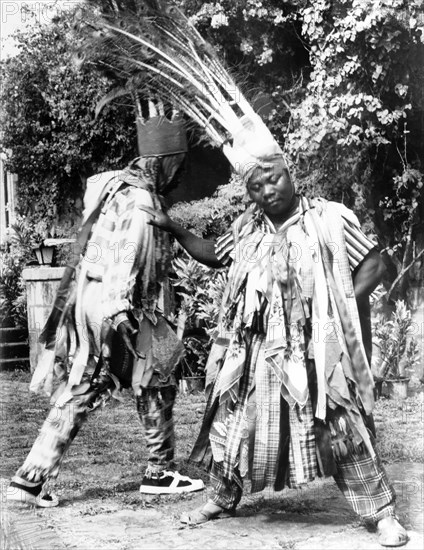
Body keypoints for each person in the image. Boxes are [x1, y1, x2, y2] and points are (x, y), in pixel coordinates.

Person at [140, 126, 408, 547]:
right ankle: (221, 497)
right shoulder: (248, 229)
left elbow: (373, 264)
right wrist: (173, 227)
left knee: (339, 425)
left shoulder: (328, 219)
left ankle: (382, 515)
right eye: (256, 185)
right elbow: (214, 253)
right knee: (231, 423)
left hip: (317, 348)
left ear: (291, 172)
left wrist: (335, 308)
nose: (268, 190)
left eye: (274, 178)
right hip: (257, 350)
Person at [6, 113, 204, 507]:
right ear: (163, 162)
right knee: (115, 381)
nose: (180, 176)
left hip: (98, 301)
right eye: (177, 165)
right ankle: (36, 478)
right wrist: (119, 313)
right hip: (120, 307)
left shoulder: (117, 189)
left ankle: (154, 471)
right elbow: (125, 257)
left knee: (144, 381)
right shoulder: (143, 200)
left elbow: (99, 248)